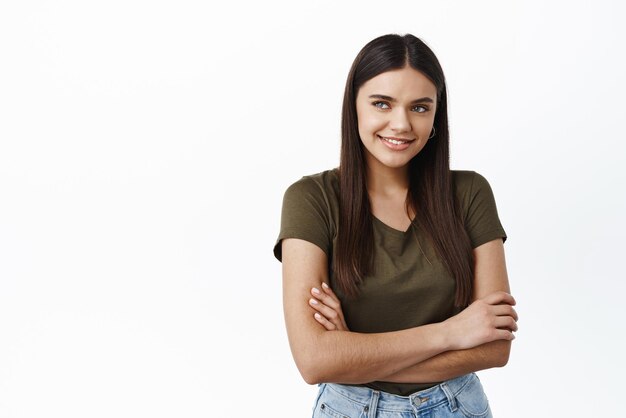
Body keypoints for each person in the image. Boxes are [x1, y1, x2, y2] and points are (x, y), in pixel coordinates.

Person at [273, 33, 518, 418]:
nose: (401, 124)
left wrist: (353, 352)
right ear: (353, 106)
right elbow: (315, 361)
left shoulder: (470, 192)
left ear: (437, 114)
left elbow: (495, 347)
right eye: (382, 103)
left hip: (457, 407)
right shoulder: (311, 199)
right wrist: (451, 333)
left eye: (420, 107)